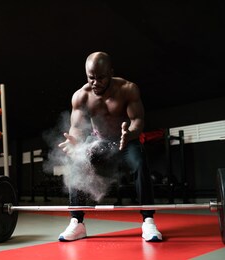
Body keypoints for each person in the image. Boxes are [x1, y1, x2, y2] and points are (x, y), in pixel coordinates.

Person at [58, 51, 162, 242]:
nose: (95, 83)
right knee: (76, 162)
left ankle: (148, 221)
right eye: (91, 78)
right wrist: (74, 141)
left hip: (126, 141)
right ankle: (77, 223)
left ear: (110, 73)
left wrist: (130, 133)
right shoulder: (81, 96)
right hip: (100, 143)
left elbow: (137, 120)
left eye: (101, 78)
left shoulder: (128, 89)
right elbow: (76, 127)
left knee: (139, 163)